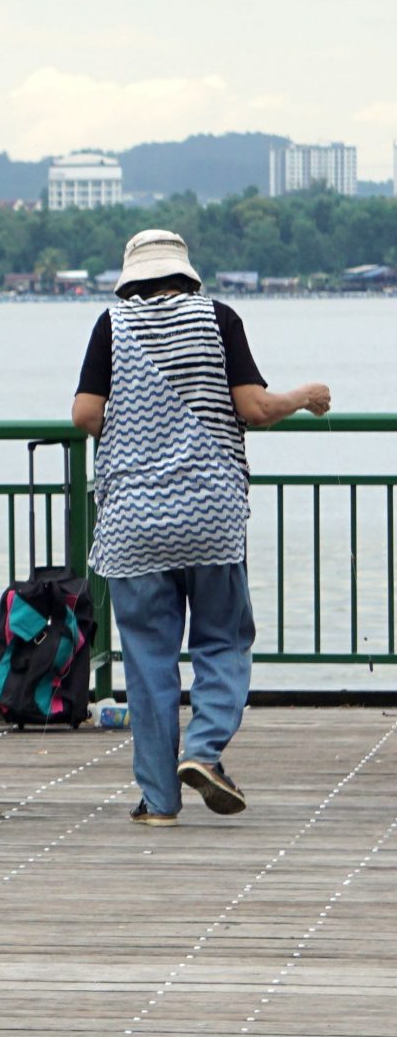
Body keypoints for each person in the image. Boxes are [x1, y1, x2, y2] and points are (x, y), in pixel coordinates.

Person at [71, 230, 328, 825]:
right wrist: (304, 397)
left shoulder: (112, 324)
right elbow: (255, 409)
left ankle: (159, 802)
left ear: (131, 278)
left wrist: (139, 428)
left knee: (149, 660)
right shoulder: (219, 318)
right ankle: (205, 750)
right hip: (210, 516)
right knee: (223, 640)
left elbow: (86, 415)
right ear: (186, 273)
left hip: (134, 523)